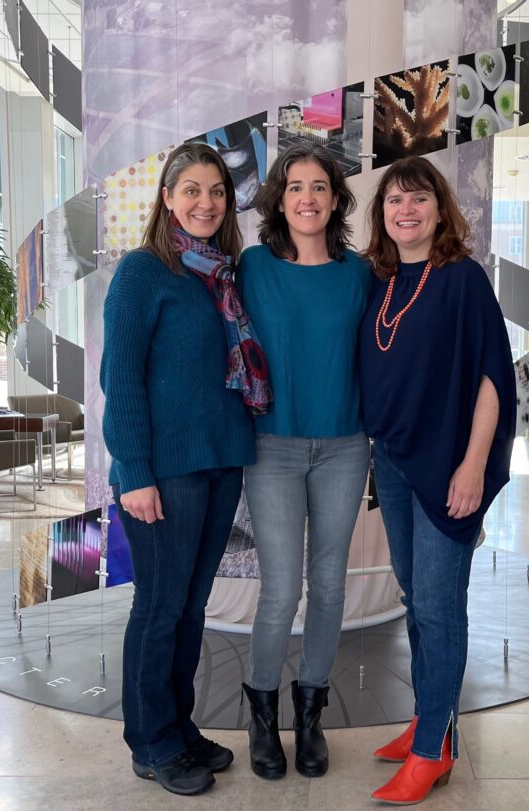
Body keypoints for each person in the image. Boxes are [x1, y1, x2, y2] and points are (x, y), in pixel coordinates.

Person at [101, 143, 270, 797]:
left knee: (191, 607)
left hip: (222, 460)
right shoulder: (144, 273)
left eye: (217, 191)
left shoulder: (223, 275)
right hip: (164, 471)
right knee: (160, 605)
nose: (206, 202)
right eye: (192, 190)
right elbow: (122, 380)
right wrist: (134, 470)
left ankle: (178, 724)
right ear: (167, 197)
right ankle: (151, 742)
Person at [358, 156, 516, 805]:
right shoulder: (383, 280)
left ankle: (431, 751)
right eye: (395, 200)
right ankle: (432, 720)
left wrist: (474, 464)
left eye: (418, 198)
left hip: (449, 463)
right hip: (392, 460)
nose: (406, 209)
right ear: (383, 214)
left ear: (438, 208)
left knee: (439, 605)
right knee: (417, 599)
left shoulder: (462, 280)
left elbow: (492, 379)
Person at [237, 144, 371, 780]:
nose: (309, 197)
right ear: (279, 198)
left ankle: (310, 717)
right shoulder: (253, 267)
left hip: (346, 445)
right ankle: (263, 722)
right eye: (296, 187)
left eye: (321, 186)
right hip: (273, 447)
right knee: (282, 589)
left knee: (329, 585)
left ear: (337, 199)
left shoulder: (360, 273)